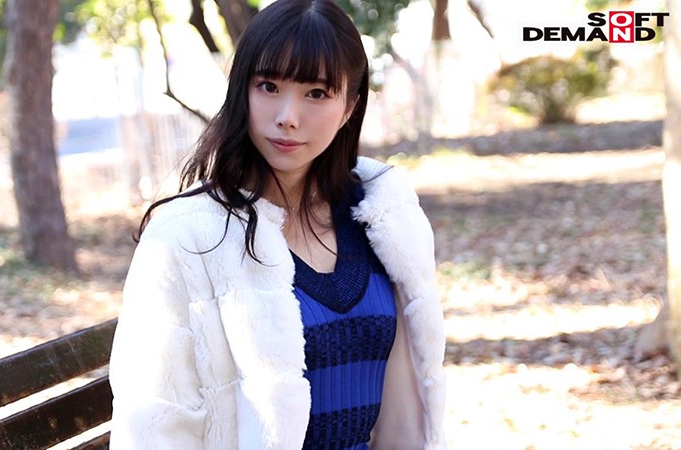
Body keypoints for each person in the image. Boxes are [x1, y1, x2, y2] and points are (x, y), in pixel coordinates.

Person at [108, 0, 447, 448]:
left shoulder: (382, 213)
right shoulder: (186, 238)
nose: (288, 115)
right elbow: (155, 426)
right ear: (241, 91)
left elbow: (405, 419)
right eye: (268, 86)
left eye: (317, 93)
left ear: (349, 106)